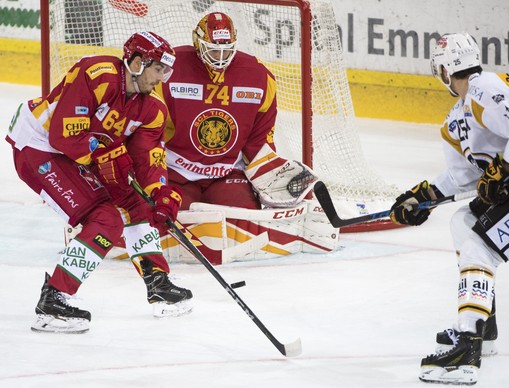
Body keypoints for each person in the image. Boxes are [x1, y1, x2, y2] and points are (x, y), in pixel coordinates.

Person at [388, 32, 509, 385]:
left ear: (445, 69)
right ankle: (482, 326)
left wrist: (503, 169)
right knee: (465, 221)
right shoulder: (455, 119)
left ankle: (468, 342)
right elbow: (463, 176)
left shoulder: (486, 86)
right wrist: (424, 196)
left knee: (480, 247)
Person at [6, 31, 193, 334]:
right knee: (106, 219)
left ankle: (157, 280)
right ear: (136, 62)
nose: (163, 78)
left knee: (138, 202)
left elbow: (148, 158)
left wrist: (159, 193)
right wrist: (105, 152)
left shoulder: (153, 109)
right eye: (159, 69)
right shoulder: (97, 75)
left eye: (166, 71)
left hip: (80, 153)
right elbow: (63, 136)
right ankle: (54, 297)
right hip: (38, 145)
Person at [155, 12, 337, 264]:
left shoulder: (258, 77)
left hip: (227, 173)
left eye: (225, 51)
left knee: (246, 220)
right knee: (171, 218)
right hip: (175, 173)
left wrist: (271, 174)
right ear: (198, 44)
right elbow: (148, 130)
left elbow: (258, 141)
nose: (220, 58)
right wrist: (148, 174)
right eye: (213, 50)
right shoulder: (168, 70)